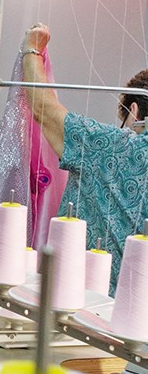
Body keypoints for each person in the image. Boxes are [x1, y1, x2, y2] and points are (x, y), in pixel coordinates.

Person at [20, 21, 148, 289]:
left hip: (93, 307)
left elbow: (44, 109)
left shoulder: (114, 146)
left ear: (134, 112)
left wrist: (31, 49)